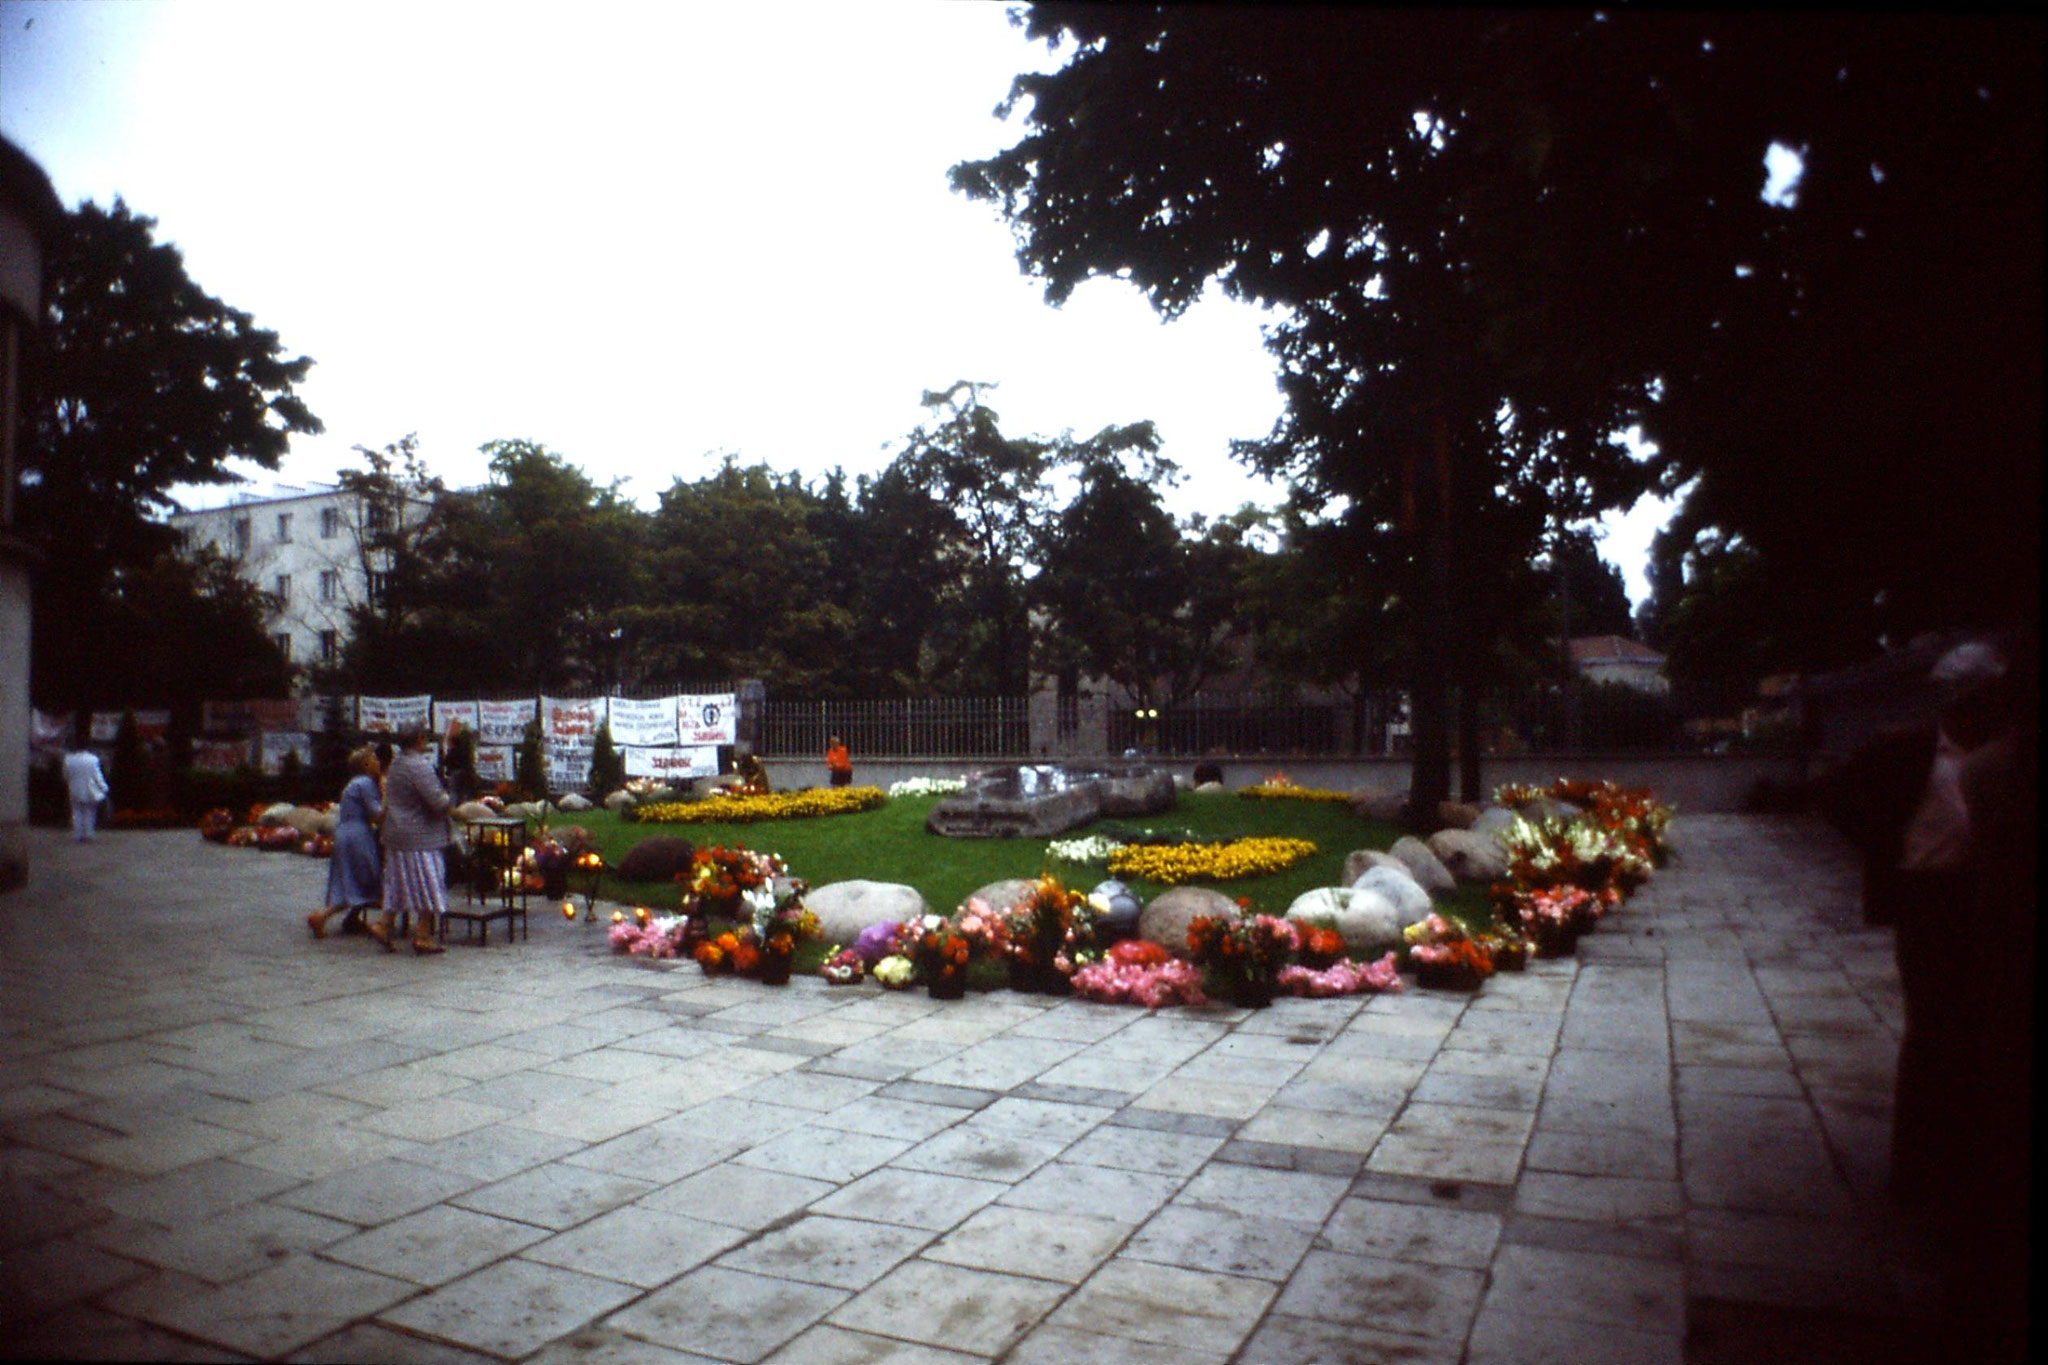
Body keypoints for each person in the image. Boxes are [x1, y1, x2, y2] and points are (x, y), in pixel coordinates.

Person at [375, 726, 454, 954]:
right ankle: (423, 934)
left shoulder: (397, 765)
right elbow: (437, 801)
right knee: (429, 881)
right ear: (419, 739)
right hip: (420, 836)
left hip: (396, 833)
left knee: (397, 883)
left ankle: (384, 924)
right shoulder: (419, 765)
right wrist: (449, 798)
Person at [307, 747, 383, 940]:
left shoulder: (354, 783)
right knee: (364, 878)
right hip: (358, 836)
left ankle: (353, 917)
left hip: (346, 832)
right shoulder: (366, 783)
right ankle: (323, 915)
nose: (378, 763)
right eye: (374, 760)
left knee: (352, 876)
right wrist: (388, 797)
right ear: (366, 765)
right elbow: (377, 815)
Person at [62, 746, 110, 843]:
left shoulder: (68, 759)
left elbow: (65, 775)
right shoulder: (93, 760)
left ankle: (77, 835)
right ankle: (89, 834)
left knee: (76, 812)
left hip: (74, 789)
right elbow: (97, 776)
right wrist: (104, 787)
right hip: (90, 790)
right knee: (90, 812)